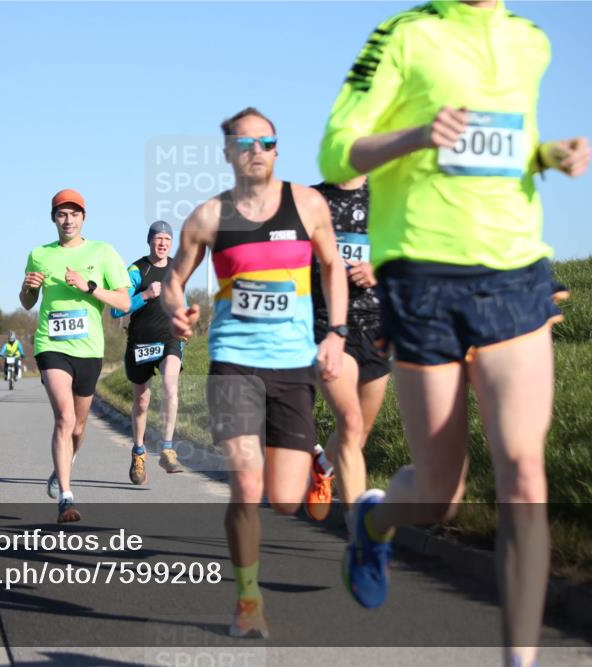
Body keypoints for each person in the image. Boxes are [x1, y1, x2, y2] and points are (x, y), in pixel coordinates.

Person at [317, 2, 592, 665]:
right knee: (442, 494)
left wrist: (548, 153)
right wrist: (415, 136)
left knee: (526, 474)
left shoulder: (529, 41)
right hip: (422, 277)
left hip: (516, 272)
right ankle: (375, 521)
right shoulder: (404, 35)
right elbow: (336, 146)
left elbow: (508, 142)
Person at [162, 107, 347, 638]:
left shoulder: (308, 203)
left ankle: (315, 464)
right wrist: (178, 309)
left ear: (277, 149)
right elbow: (176, 277)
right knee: (246, 485)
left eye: (266, 141)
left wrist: (335, 333)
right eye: (245, 144)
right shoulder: (208, 217)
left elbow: (332, 265)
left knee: (285, 500)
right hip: (234, 361)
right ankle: (248, 600)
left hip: (292, 363)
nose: (257, 151)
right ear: (227, 154)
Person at [20, 188, 131, 523]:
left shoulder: (104, 252)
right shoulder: (39, 254)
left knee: (80, 427)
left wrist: (90, 288)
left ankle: (63, 467)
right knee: (65, 419)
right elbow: (27, 303)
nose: (68, 220)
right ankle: (66, 497)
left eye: (74, 214)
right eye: (61, 214)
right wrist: (29, 288)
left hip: (89, 350)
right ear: (53, 218)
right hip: (51, 346)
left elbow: (125, 303)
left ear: (84, 218)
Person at [303, 177, 390, 528]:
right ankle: (360, 537)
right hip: (326, 325)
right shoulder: (311, 200)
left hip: (376, 326)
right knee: (350, 422)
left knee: (360, 433)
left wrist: (378, 267)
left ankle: (323, 467)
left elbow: (407, 251)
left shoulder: (387, 197)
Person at [111, 220, 185, 484]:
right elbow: (117, 309)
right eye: (158, 238)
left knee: (170, 386)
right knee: (141, 402)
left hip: (169, 340)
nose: (163, 243)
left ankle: (167, 448)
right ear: (149, 241)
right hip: (140, 343)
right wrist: (145, 295)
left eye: (167, 239)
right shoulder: (136, 270)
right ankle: (139, 451)